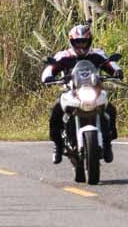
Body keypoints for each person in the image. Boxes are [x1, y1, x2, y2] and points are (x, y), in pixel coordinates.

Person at [42, 23, 122, 164]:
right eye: (77, 42)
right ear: (71, 42)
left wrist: (117, 71)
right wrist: (49, 77)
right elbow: (51, 68)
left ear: (89, 41)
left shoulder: (97, 54)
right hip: (71, 93)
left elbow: (109, 64)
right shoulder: (64, 56)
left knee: (110, 110)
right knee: (55, 112)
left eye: (83, 41)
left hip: (94, 91)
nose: (81, 45)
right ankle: (58, 146)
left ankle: (108, 142)